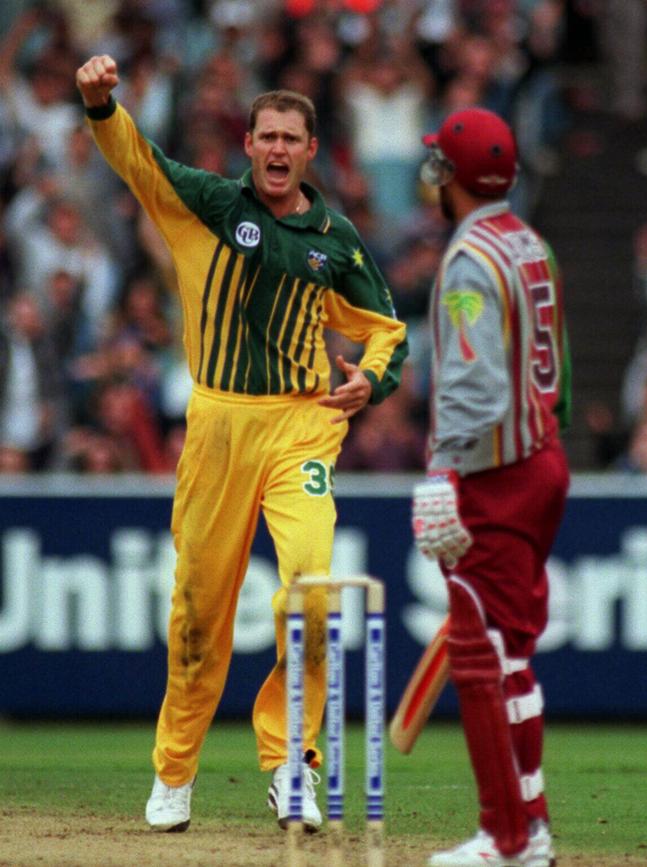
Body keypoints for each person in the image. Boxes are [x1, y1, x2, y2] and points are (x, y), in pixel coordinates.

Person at [75, 54, 408, 834]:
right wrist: (100, 105)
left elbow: (386, 328)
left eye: (293, 137)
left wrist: (373, 382)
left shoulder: (336, 239)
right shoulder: (208, 202)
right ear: (249, 143)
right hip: (219, 426)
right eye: (267, 136)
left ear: (312, 149)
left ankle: (294, 761)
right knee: (198, 611)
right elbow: (138, 159)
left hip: (300, 428)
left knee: (314, 593)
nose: (279, 149)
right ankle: (175, 771)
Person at [411, 107, 570, 867]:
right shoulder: (531, 242)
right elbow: (558, 367)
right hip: (541, 460)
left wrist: (443, 469)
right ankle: (529, 822)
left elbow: (474, 385)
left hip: (495, 474)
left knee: (481, 655)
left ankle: (506, 837)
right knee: (513, 655)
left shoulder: (472, 256)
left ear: (451, 176)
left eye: (438, 163)